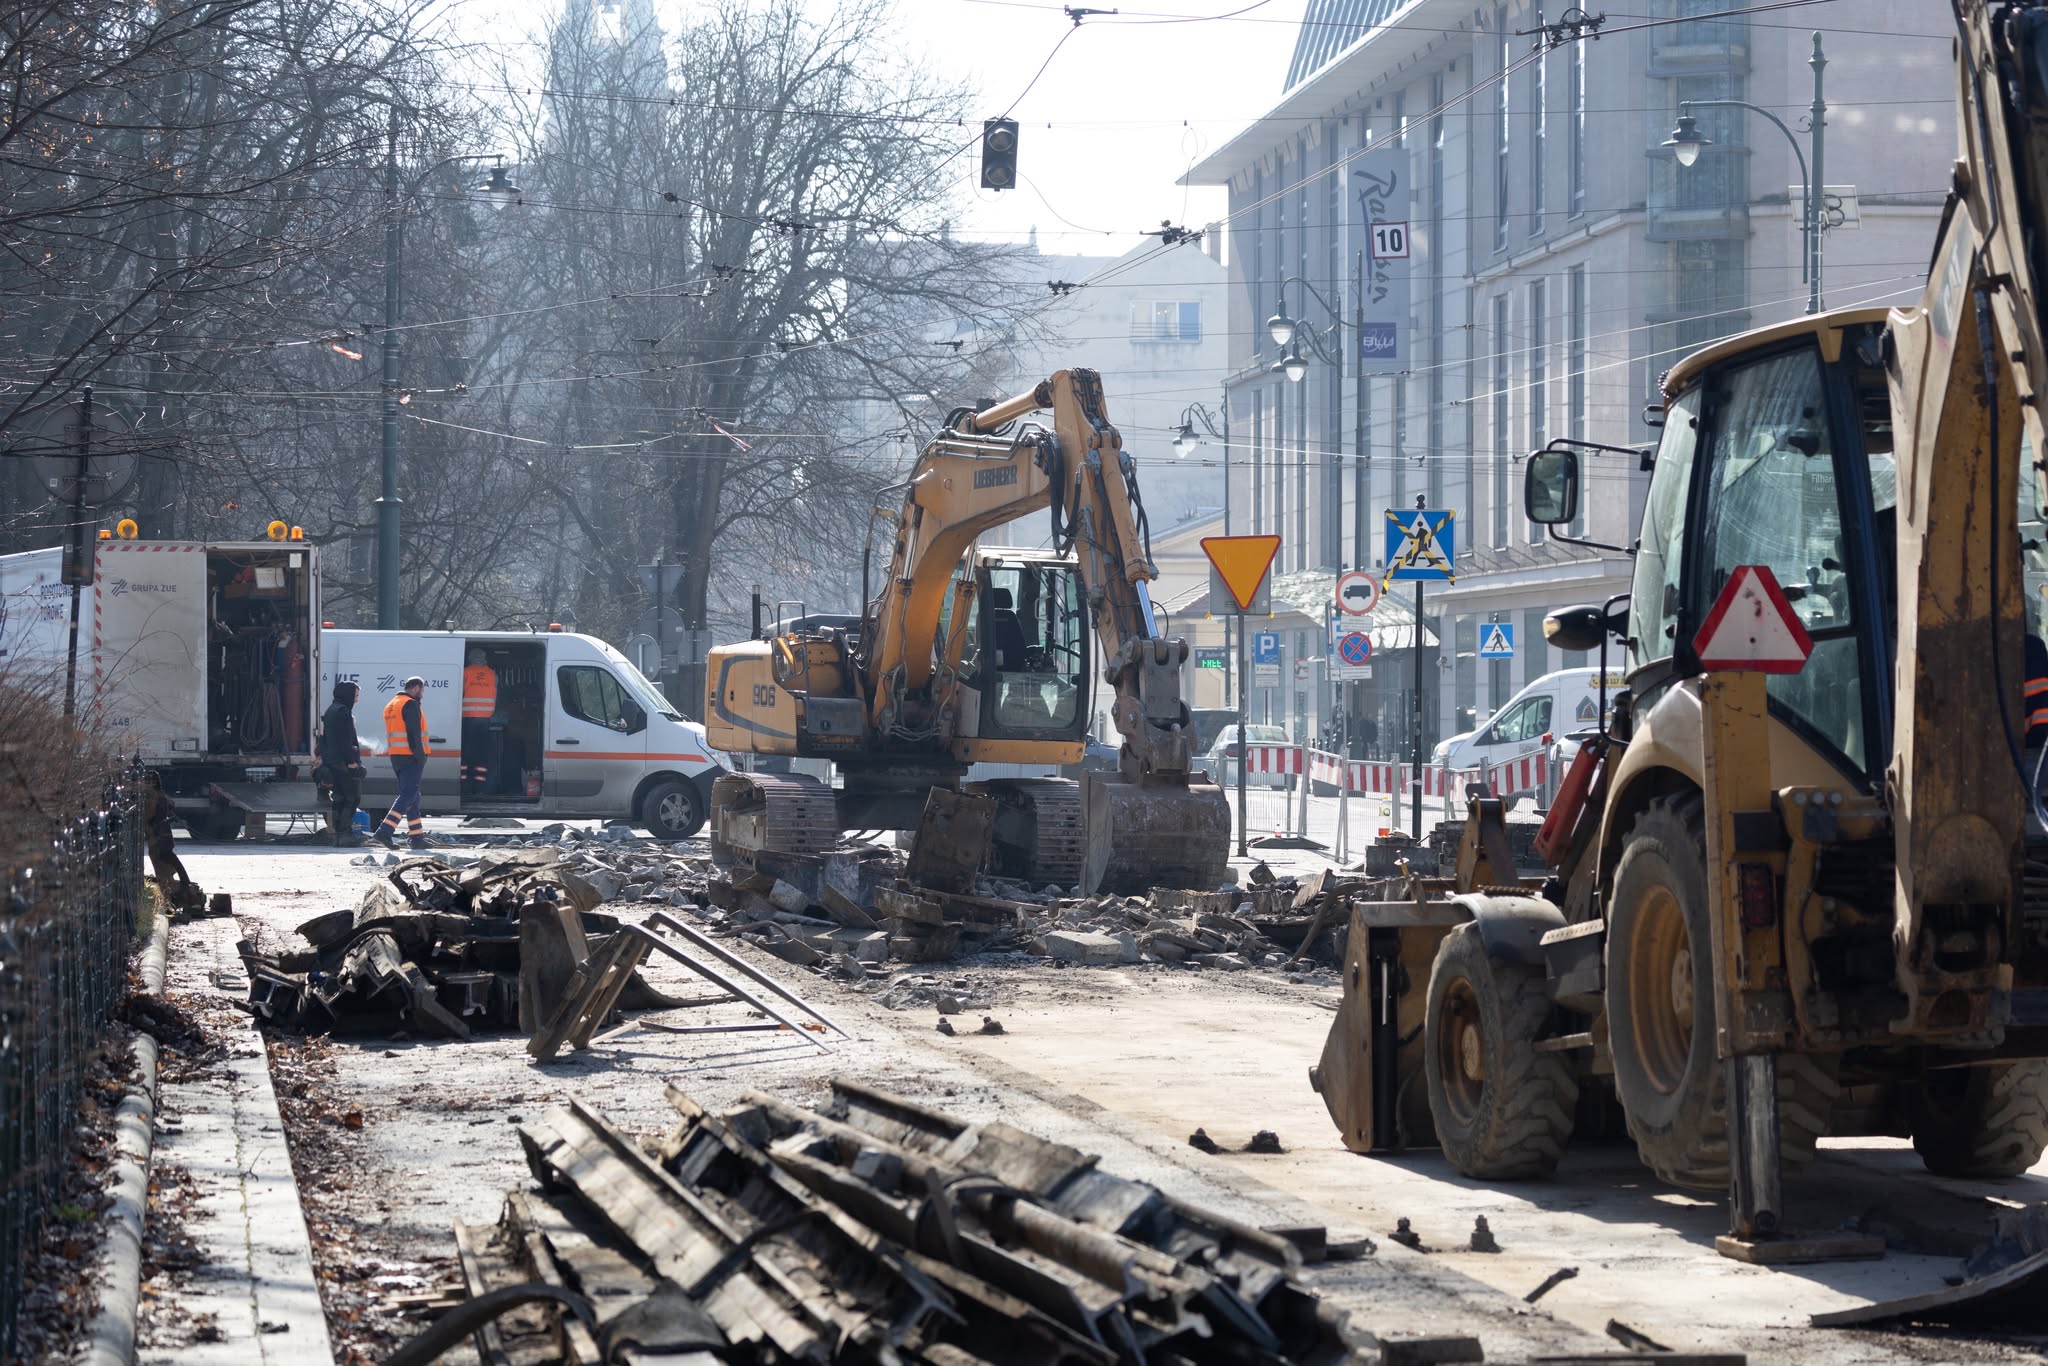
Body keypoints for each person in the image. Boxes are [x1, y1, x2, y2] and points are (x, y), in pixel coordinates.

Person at [375, 676, 431, 851]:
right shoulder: (410, 704)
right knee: (408, 795)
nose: (422, 694)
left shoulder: (392, 704)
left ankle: (416, 837)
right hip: (410, 756)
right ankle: (385, 831)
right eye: (422, 690)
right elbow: (413, 733)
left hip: (396, 755)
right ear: (415, 688)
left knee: (413, 795)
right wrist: (420, 755)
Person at [317, 679, 366, 846]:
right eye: (356, 695)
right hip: (343, 762)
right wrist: (351, 761)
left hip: (332, 761)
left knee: (338, 798)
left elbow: (325, 739)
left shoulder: (331, 710)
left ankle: (337, 833)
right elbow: (345, 740)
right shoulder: (343, 712)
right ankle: (345, 833)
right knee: (351, 797)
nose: (357, 699)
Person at [460, 648, 499, 797]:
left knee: (466, 755)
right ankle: (480, 788)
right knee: (482, 756)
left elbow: (458, 694)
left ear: (470, 659)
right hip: (485, 720)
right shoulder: (493, 674)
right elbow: (496, 696)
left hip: (467, 718)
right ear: (485, 658)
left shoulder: (465, 673)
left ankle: (464, 787)